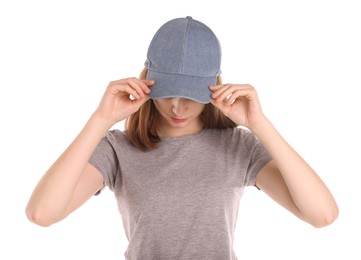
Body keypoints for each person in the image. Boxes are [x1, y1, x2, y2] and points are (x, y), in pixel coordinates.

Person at [26, 16, 339, 259]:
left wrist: (260, 124)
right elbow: (42, 214)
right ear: (147, 82)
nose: (177, 107)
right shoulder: (117, 149)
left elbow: (322, 215)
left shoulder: (238, 146)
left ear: (214, 85)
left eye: (190, 94)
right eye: (166, 93)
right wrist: (101, 119)